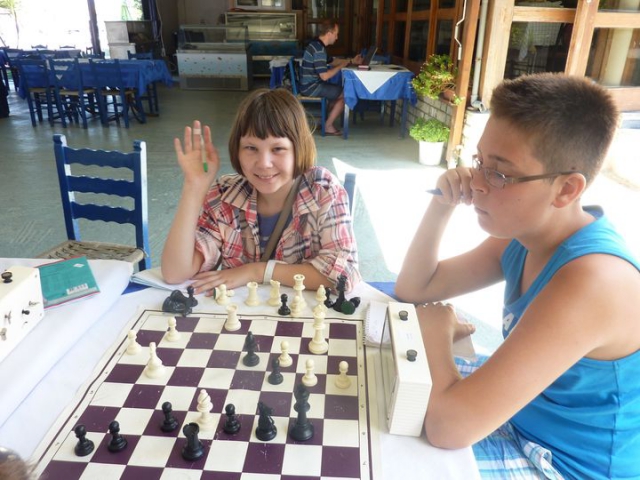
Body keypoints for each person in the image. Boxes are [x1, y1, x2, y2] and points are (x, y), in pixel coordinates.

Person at [395, 73, 640, 480]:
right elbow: (415, 288)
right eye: (479, 162)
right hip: (522, 426)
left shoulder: (595, 281)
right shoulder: (524, 236)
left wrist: (436, 331)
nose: (476, 184)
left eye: (499, 173)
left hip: (565, 466)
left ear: (566, 190)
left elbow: (448, 427)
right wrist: (442, 203)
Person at [161, 88, 360, 295]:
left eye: (278, 149)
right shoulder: (224, 194)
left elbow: (344, 275)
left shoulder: (323, 190)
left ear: (298, 148)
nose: (264, 163)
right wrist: (194, 187)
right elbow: (175, 273)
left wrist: (256, 271)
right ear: (237, 150)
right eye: (251, 148)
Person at [299, 19, 362, 136]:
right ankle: (328, 125)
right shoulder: (319, 50)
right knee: (346, 94)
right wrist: (341, 66)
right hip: (311, 87)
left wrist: (351, 61)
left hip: (308, 85)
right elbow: (324, 76)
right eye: (336, 34)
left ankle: (324, 122)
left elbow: (332, 61)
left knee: (338, 93)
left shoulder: (317, 45)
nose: (337, 37)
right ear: (329, 33)